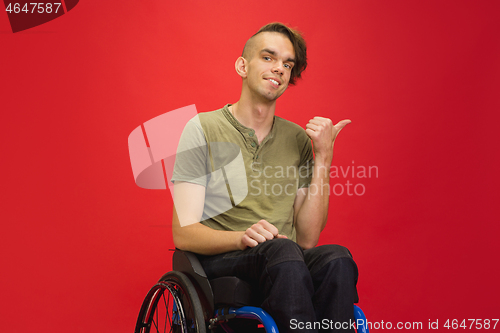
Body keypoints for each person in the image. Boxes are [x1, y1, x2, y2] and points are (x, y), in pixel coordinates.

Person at [171, 22, 358, 333]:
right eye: (269, 58)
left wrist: (324, 157)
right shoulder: (202, 128)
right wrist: (242, 237)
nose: (280, 69)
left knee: (337, 257)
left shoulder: (297, 139)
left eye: (288, 63)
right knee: (282, 250)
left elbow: (309, 238)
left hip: (286, 263)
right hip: (225, 258)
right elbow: (184, 233)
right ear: (242, 66)